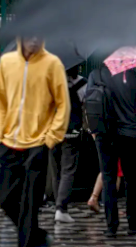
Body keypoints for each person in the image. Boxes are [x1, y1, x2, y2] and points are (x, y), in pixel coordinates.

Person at [0, 37, 70, 247]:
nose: (34, 39)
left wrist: (51, 138)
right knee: (6, 198)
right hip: (8, 143)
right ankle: (37, 236)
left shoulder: (52, 64)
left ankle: (28, 240)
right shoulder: (7, 63)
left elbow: (63, 105)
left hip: (37, 145)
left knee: (30, 204)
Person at [87, 65, 136, 237]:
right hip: (130, 134)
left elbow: (89, 103)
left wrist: (94, 131)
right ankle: (133, 224)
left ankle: (111, 226)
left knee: (108, 179)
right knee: (131, 180)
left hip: (104, 133)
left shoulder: (95, 74)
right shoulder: (135, 76)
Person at [51, 65, 88, 223]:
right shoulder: (82, 83)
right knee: (68, 168)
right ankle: (61, 208)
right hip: (71, 131)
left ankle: (56, 203)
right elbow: (85, 105)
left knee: (55, 168)